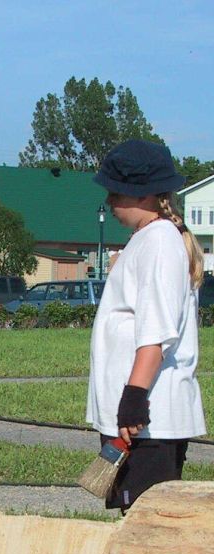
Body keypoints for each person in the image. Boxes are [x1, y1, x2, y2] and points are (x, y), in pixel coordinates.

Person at [87, 139, 206, 512]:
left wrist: (134, 400)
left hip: (149, 421)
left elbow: (155, 335)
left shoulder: (159, 242)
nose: (109, 199)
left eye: (116, 191)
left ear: (142, 193)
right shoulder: (147, 240)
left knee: (149, 529)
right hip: (136, 421)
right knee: (133, 523)